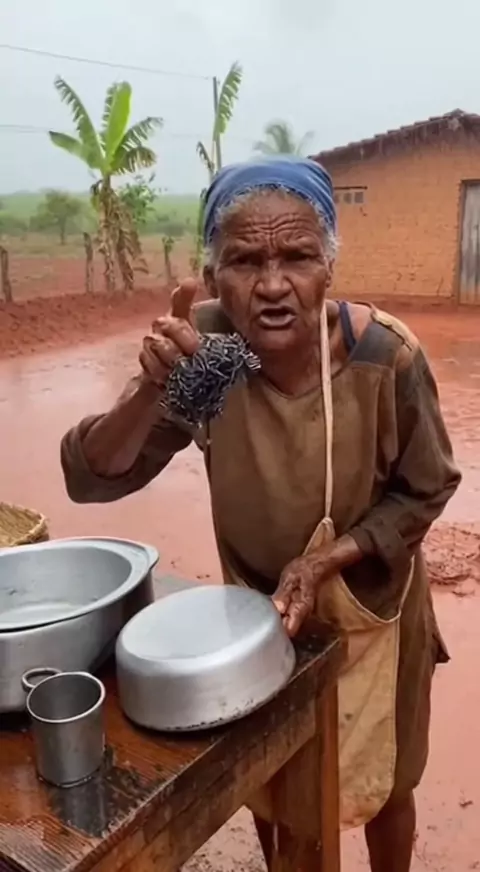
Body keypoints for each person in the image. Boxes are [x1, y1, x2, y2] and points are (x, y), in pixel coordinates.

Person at [60, 157, 460, 872]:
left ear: (328, 269)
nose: (273, 285)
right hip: (261, 618)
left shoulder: (382, 358)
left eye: (297, 257)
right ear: (214, 278)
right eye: (245, 261)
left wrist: (326, 560)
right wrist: (150, 388)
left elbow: (426, 489)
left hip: (375, 610)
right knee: (276, 788)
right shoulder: (208, 357)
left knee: (389, 779)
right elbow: (93, 479)